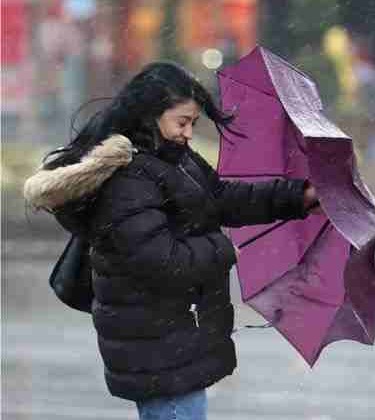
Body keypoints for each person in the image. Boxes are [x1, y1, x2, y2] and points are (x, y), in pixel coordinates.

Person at [23, 61, 319, 420]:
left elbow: (220, 198)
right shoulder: (129, 178)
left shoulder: (172, 160)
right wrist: (222, 250)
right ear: (150, 115)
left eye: (193, 123)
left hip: (172, 335)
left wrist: (297, 197)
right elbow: (160, 259)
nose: (189, 133)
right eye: (182, 122)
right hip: (155, 342)